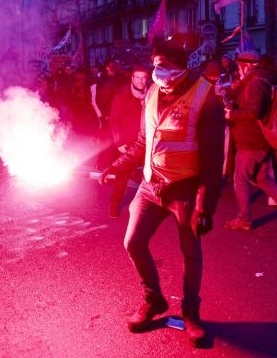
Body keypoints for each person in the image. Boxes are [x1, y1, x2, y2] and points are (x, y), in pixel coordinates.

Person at [99, 41, 225, 347]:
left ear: (181, 67)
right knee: (133, 242)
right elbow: (145, 140)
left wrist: (204, 205)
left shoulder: (206, 98)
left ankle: (191, 312)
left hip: (185, 191)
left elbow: (212, 160)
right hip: (150, 186)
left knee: (191, 254)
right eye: (155, 65)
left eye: (164, 66)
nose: (158, 72)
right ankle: (153, 299)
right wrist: (116, 165)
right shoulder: (152, 93)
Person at [223, 50, 277, 232]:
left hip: (251, 141)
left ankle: (244, 218)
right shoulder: (260, 81)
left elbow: (254, 112)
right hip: (260, 140)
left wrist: (231, 114)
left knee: (240, 180)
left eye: (239, 66)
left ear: (246, 66)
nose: (238, 70)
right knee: (263, 179)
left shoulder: (255, 84)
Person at [106, 64, 149, 218]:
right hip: (128, 142)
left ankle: (146, 207)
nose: (140, 81)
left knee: (149, 174)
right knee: (122, 175)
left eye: (143, 77)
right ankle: (114, 204)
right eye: (137, 77)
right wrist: (119, 142)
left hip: (147, 140)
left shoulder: (151, 94)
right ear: (132, 78)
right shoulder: (122, 95)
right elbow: (114, 120)